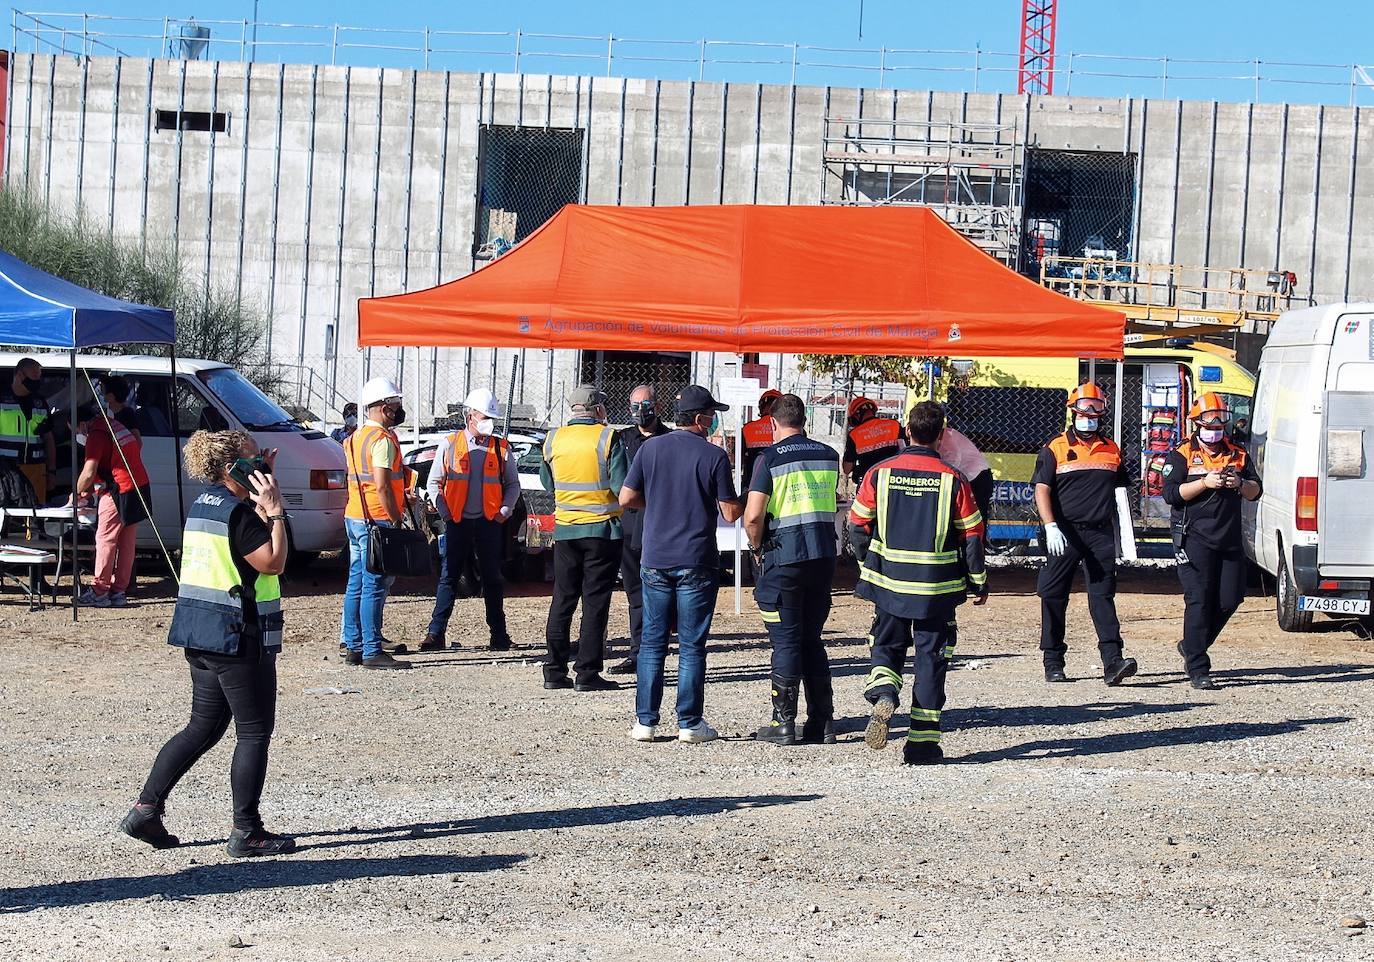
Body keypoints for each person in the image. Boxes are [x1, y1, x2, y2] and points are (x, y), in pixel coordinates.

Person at [119, 429, 295, 857]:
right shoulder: (242, 515)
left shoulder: (206, 503)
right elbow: (272, 561)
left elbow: (233, 546)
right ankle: (246, 831)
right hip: (237, 636)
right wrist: (275, 512)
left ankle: (146, 809)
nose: (264, 467)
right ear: (233, 467)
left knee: (203, 727)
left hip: (200, 632)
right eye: (255, 461)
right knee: (253, 732)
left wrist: (259, 496)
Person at [849, 401, 988, 765]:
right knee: (930, 661)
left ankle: (883, 690)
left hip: (890, 584)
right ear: (941, 437)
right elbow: (972, 535)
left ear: (907, 432)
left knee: (887, 643)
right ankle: (922, 745)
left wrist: (869, 564)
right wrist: (977, 581)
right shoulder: (954, 478)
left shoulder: (880, 473)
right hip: (936, 591)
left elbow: (857, 524)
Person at [619, 385, 742, 744]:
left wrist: (656, 502)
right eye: (712, 414)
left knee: (653, 642)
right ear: (702, 419)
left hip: (655, 557)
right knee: (691, 645)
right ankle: (689, 723)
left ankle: (645, 721)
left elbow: (626, 497)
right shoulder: (713, 456)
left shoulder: (650, 448)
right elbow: (730, 512)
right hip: (696, 559)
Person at [742, 393, 840, 745]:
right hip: (823, 557)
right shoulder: (830, 455)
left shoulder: (768, 458)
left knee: (785, 640)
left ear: (772, 422)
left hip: (784, 556)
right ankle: (822, 721)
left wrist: (756, 548)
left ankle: (783, 721)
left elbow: (753, 515)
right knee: (811, 639)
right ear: (804, 420)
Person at [1034, 382, 1138, 686]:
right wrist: (1050, 525)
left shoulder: (1111, 449)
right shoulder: (1054, 448)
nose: (1089, 417)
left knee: (1102, 596)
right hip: (1063, 532)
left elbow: (1120, 492)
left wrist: (1125, 536)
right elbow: (1042, 489)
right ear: (1073, 412)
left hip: (1099, 534)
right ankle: (1053, 661)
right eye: (1083, 411)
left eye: (1094, 412)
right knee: (1053, 595)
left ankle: (1113, 662)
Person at [1162, 393, 1262, 690]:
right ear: (1197, 423)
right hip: (1194, 537)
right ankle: (1198, 666)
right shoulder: (1181, 454)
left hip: (1229, 538)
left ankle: (1193, 643)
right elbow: (1170, 494)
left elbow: (1257, 491)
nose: (1216, 427)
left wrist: (1240, 484)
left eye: (1221, 421)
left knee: (1231, 598)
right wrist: (1204, 483)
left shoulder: (1238, 453)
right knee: (1199, 599)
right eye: (1209, 421)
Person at [540, 386, 627, 691]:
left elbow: (546, 481)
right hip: (602, 531)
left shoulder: (553, 438)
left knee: (562, 599)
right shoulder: (607, 438)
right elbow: (621, 485)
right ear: (598, 409)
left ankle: (553, 670)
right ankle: (587, 673)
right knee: (594, 603)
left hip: (565, 530)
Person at [422, 387, 520, 652]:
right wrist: (445, 514)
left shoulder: (501, 448)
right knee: (448, 577)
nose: (488, 421)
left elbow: (513, 485)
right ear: (470, 415)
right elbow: (434, 482)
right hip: (458, 522)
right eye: (484, 415)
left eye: (491, 417)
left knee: (492, 578)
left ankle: (499, 635)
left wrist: (504, 511)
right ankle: (435, 633)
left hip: (489, 523)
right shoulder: (451, 443)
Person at [340, 377, 413, 670]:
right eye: (395, 404)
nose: (398, 409)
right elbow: (382, 485)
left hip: (355, 515)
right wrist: (396, 517)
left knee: (355, 583)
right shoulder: (381, 441)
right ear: (384, 407)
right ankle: (372, 649)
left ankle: (354, 645)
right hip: (377, 519)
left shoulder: (356, 436)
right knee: (373, 585)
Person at [608, 384, 671, 676]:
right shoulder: (621, 439)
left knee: (662, 592)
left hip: (661, 526)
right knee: (635, 592)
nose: (639, 411)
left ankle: (657, 646)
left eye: (644, 404)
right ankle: (638, 652)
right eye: (634, 405)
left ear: (657, 407)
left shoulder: (670, 439)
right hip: (630, 525)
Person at [72, 394, 152, 608]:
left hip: (119, 489)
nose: (76, 434)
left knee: (105, 540)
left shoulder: (96, 434)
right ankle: (119, 591)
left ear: (81, 424)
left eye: (74, 430)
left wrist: (76, 493)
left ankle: (99, 591)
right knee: (126, 542)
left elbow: (89, 472)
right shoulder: (112, 425)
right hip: (139, 486)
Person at [0, 357, 57, 502]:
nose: (37, 382)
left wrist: (51, 471)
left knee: (35, 518)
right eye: (34, 377)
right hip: (6, 472)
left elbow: (48, 439)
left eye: (39, 377)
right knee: (9, 518)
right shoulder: (2, 399)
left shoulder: (40, 402)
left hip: (36, 469)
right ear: (20, 375)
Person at [935, 423, 994, 528]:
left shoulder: (948, 436)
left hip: (978, 477)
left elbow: (953, 462)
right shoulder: (939, 437)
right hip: (969, 477)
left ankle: (979, 543)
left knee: (977, 517)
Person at [842, 396, 905, 487]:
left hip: (868, 483)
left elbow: (847, 469)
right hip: (894, 480)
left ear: (857, 414)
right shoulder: (894, 425)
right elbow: (905, 452)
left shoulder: (854, 435)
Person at [741, 388, 783, 493]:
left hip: (753, 482)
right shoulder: (787, 429)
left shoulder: (747, 428)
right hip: (780, 483)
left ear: (761, 406)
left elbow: (738, 457)